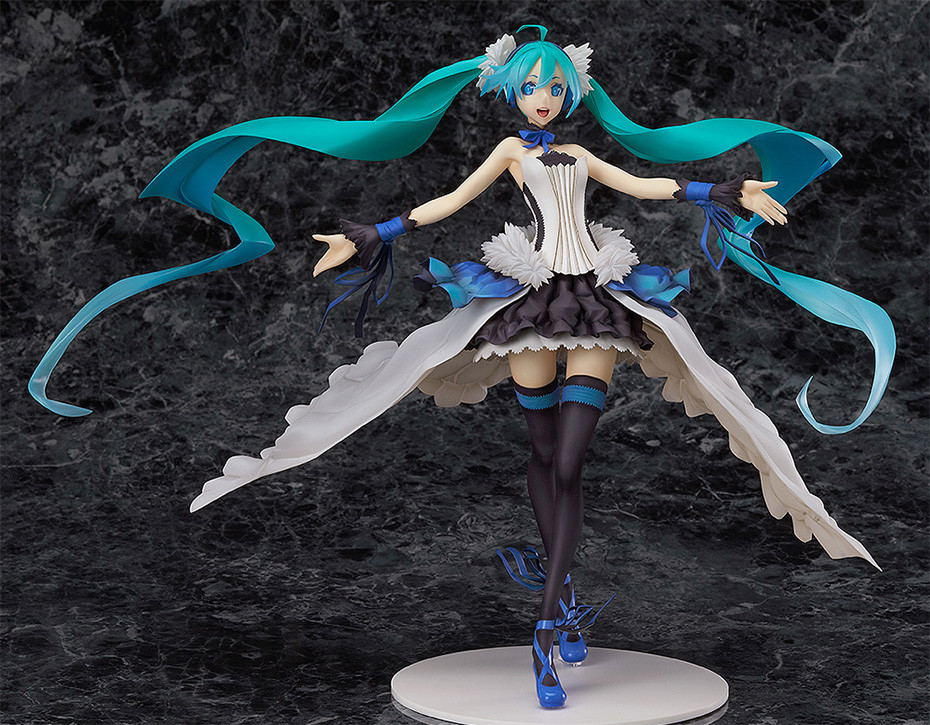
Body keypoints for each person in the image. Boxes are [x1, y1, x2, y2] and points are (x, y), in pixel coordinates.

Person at [29, 24, 895, 709]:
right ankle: (561, 602)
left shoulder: (580, 155)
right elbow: (446, 202)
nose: (544, 97)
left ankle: (547, 623)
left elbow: (650, 189)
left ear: (572, 92)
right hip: (529, 305)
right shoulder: (513, 153)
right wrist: (369, 235)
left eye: (555, 88)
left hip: (596, 299)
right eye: (532, 87)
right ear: (511, 91)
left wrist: (730, 190)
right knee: (542, 455)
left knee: (570, 459)